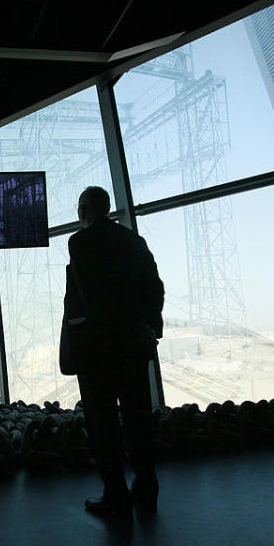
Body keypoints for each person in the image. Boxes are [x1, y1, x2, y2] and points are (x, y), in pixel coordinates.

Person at [62, 186, 164, 517]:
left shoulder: (80, 242)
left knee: (103, 423)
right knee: (138, 418)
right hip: (133, 345)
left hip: (97, 350)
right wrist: (151, 329)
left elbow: (84, 299)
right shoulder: (134, 241)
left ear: (83, 211)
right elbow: (154, 288)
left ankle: (115, 494)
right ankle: (147, 487)